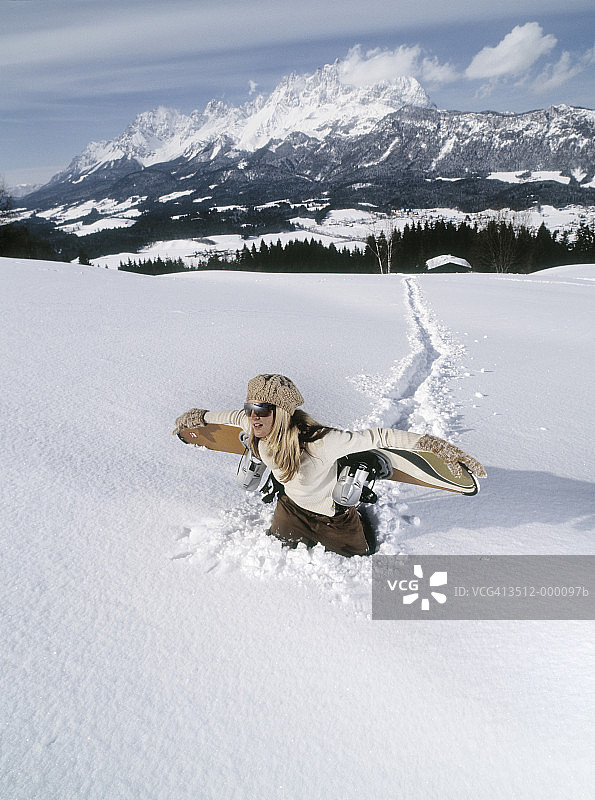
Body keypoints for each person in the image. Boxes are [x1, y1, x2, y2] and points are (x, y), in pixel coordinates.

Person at [173, 374, 486, 558]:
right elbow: (226, 417)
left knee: (359, 554)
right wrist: (199, 417)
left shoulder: (322, 442)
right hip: (292, 507)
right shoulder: (254, 426)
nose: (253, 416)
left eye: (263, 409)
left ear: (281, 412)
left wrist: (438, 447)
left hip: (333, 517)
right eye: (250, 407)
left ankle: (359, 507)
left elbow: (381, 436)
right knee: (279, 542)